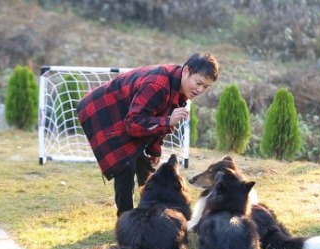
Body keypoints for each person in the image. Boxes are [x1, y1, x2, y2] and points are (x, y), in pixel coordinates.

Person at [76, 53, 220, 217]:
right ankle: (126, 218)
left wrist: (154, 150)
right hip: (102, 109)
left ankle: (150, 212)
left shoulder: (180, 89)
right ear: (186, 71)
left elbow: (155, 116)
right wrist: (167, 121)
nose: (200, 90)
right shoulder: (157, 85)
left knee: (146, 164)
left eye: (206, 87)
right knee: (126, 163)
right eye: (198, 83)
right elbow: (133, 124)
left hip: (130, 114)